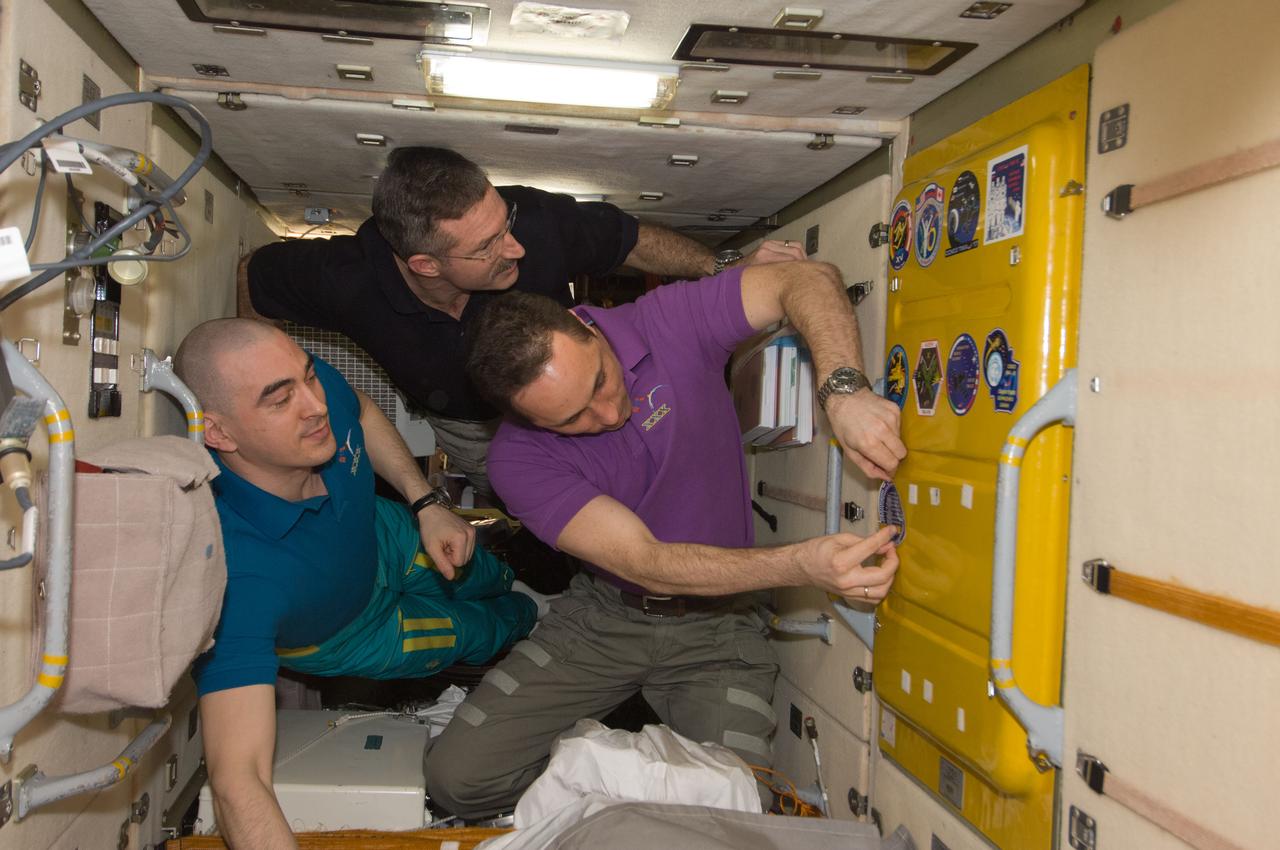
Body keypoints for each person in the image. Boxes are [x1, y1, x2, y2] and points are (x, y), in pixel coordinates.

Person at [421, 259, 907, 818]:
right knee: (457, 780)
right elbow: (646, 562)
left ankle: (651, 795)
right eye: (572, 418)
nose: (609, 412)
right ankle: (625, 792)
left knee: (737, 809)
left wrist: (843, 392)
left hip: (718, 628)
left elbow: (807, 279)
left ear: (588, 325)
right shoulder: (516, 460)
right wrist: (802, 565)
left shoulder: (666, 322)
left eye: (600, 379)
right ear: (526, 421)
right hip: (605, 621)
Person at [175, 318, 546, 849]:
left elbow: (362, 409)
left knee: (481, 568)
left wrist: (425, 502)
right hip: (351, 631)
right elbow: (239, 781)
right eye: (280, 400)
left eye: (309, 376)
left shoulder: (307, 390)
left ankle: (526, 589)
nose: (316, 405)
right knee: (473, 632)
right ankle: (533, 616)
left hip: (379, 532)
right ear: (218, 433)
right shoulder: (235, 577)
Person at [239, 146, 803, 494]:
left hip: (573, 386)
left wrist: (724, 267)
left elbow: (631, 241)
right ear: (425, 264)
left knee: (627, 467)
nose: (515, 248)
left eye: (503, 224)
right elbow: (251, 278)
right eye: (487, 247)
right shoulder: (344, 278)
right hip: (471, 427)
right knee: (516, 494)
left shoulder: (535, 221)